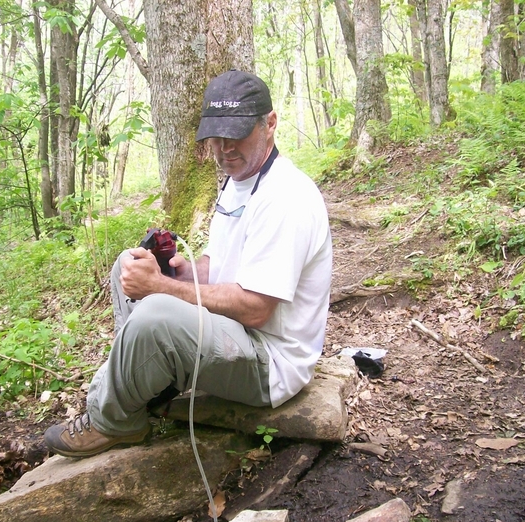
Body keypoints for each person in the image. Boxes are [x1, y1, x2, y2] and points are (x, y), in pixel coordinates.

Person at [44, 70, 333, 457]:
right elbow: (221, 265)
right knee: (127, 265)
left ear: (270, 124)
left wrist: (163, 288)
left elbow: (256, 309)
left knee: (157, 311)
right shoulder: (239, 181)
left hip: (270, 363)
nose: (225, 148)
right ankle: (148, 386)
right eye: (217, 136)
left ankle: (113, 421)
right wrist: (181, 274)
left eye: (237, 134)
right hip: (235, 334)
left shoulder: (286, 197)